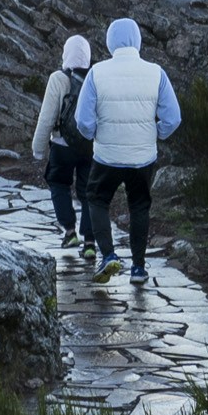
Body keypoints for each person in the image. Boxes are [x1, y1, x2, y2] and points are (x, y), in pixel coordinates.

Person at [73, 15, 180, 289]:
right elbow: (173, 118)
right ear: (138, 41)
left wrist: (96, 135)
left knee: (96, 199)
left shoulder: (97, 73)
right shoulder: (156, 72)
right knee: (139, 207)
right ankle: (138, 268)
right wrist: (155, 135)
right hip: (143, 157)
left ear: (110, 42)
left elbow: (83, 120)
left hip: (107, 155)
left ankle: (108, 254)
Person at [29, 33, 98, 264]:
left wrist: (38, 149)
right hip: (89, 146)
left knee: (58, 183)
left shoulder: (58, 78)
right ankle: (90, 242)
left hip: (61, 145)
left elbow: (47, 118)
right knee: (89, 192)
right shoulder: (96, 77)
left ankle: (70, 233)